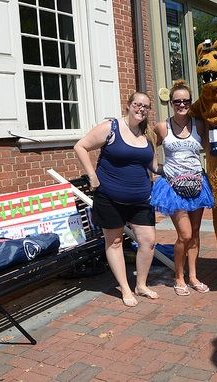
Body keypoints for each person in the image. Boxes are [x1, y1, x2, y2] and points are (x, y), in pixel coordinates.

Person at [74, 91, 159, 307]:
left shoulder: (148, 134)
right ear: (129, 105)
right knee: (115, 242)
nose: (141, 109)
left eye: (145, 106)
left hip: (141, 198)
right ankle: (125, 288)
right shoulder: (111, 127)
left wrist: (174, 170)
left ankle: (141, 284)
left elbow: (153, 166)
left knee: (148, 241)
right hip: (110, 197)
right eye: (137, 104)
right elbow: (80, 146)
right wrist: (92, 175)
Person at [150, 80, 214, 296]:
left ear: (190, 102)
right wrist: (159, 169)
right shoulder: (162, 126)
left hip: (197, 184)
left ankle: (193, 276)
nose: (182, 105)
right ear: (171, 103)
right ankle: (178, 276)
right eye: (177, 101)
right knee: (184, 235)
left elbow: (210, 149)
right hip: (173, 188)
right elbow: (147, 149)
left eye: (186, 101)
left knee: (195, 234)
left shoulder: (199, 125)